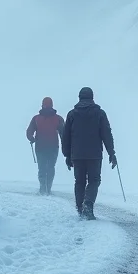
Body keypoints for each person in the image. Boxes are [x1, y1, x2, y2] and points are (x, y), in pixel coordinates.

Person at [62, 86, 117, 220]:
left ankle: (81, 208)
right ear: (92, 98)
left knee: (79, 181)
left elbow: (66, 136)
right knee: (94, 180)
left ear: (79, 97)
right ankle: (88, 203)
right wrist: (111, 153)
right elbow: (106, 133)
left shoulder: (72, 114)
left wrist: (67, 155)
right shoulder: (100, 113)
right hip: (94, 154)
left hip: (77, 154)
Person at [26, 97, 65, 195]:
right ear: (52, 105)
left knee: (42, 168)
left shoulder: (36, 118)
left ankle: (43, 189)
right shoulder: (58, 118)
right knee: (51, 167)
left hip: (40, 147)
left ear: (42, 105)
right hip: (53, 147)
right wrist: (65, 144)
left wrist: (32, 139)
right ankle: (48, 189)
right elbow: (63, 133)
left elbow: (29, 132)